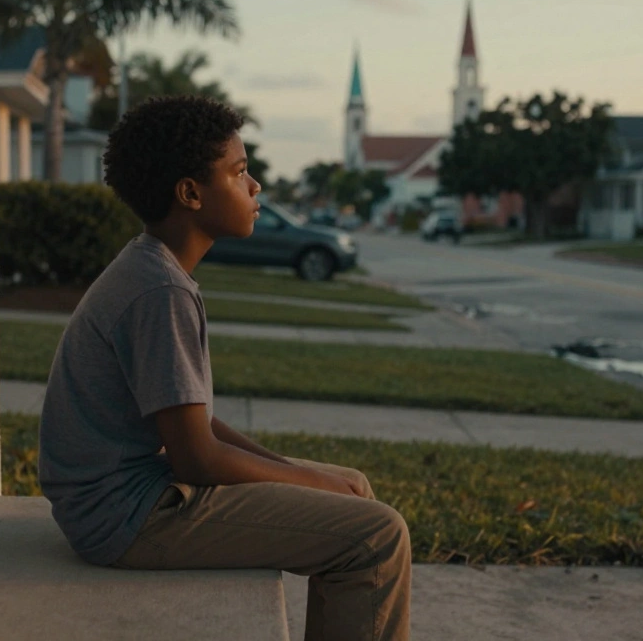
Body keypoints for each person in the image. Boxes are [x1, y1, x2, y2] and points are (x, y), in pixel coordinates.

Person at [39, 96, 412, 640]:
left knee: (351, 483)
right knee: (378, 536)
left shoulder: (156, 269)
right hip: (125, 518)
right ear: (190, 193)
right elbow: (196, 458)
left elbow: (196, 422)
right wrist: (308, 480)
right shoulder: (159, 289)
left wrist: (300, 471)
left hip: (130, 496)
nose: (256, 186)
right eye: (239, 173)